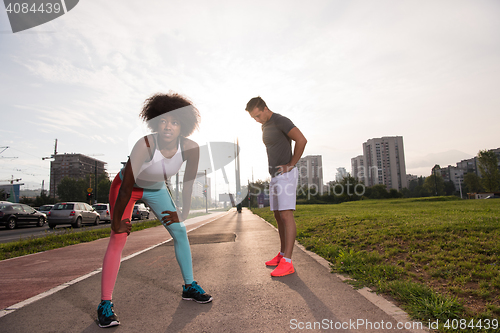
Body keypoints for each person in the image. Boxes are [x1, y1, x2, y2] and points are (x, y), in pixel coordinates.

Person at [97, 92, 212, 328]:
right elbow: (127, 185)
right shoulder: (146, 144)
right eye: (163, 120)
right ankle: (105, 305)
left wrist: (184, 212)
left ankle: (189, 287)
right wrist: (115, 220)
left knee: (180, 231)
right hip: (128, 188)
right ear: (155, 121)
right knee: (118, 237)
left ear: (184, 126)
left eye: (175, 121)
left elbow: (189, 183)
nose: (168, 126)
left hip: (157, 189)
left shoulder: (191, 148)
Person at [245, 96, 307, 277]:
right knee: (278, 215)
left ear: (265, 108)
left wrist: (291, 164)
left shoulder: (280, 120)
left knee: (286, 215)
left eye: (257, 115)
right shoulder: (264, 125)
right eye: (253, 118)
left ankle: (288, 261)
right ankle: (281, 255)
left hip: (285, 175)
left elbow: (301, 140)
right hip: (275, 176)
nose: (256, 120)